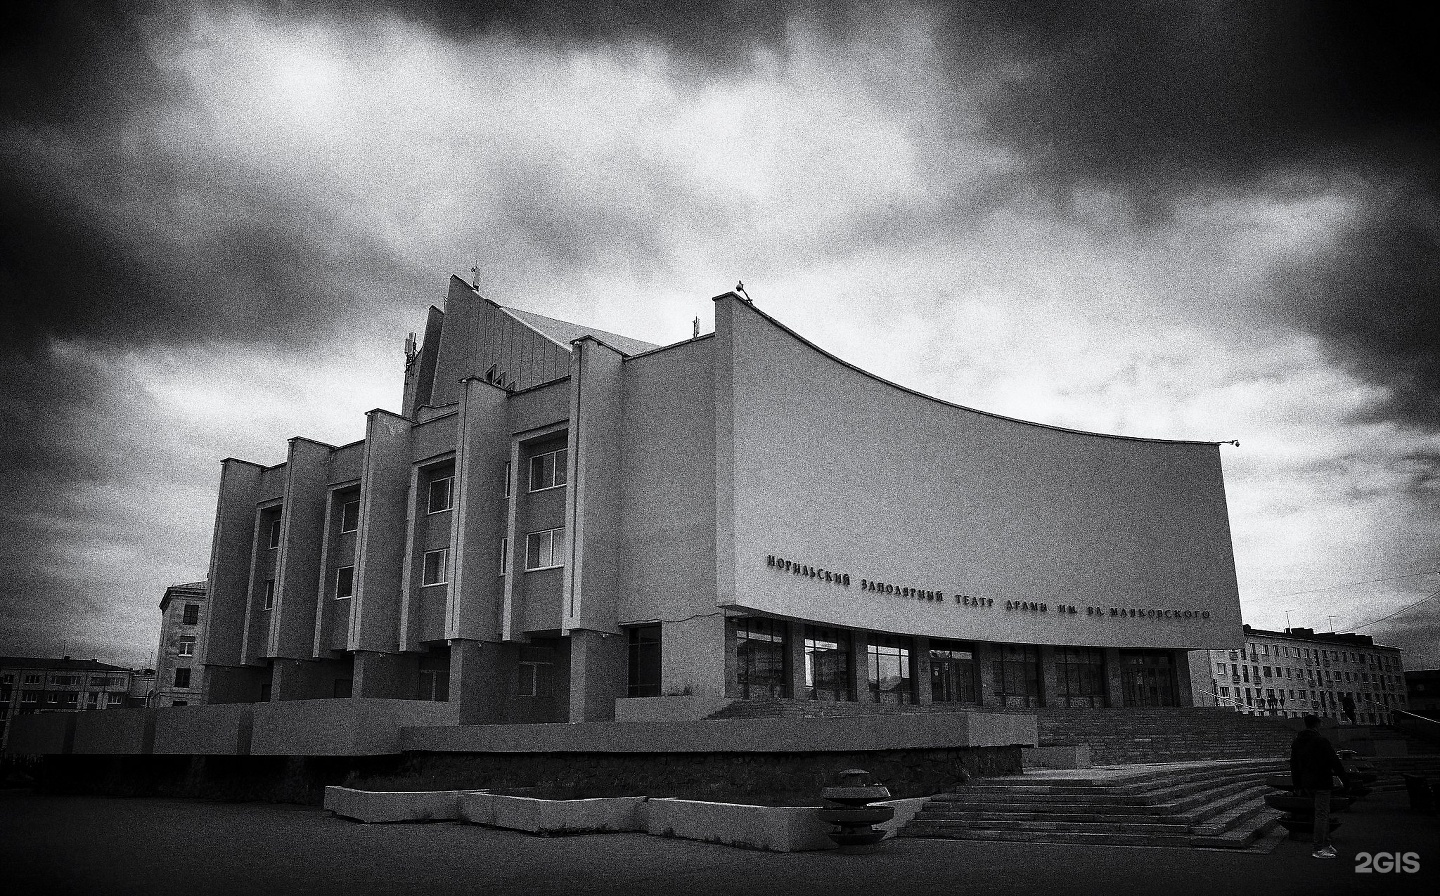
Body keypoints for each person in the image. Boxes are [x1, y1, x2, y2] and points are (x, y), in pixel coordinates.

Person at [1290, 714, 1351, 858]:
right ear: (1317, 724)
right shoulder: (1321, 741)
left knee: (1322, 812)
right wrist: (1345, 780)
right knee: (1322, 814)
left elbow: (1294, 765)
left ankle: (1326, 843)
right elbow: (1334, 762)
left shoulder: (1297, 742)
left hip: (1307, 783)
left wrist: (1297, 784)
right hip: (1321, 781)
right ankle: (1318, 848)